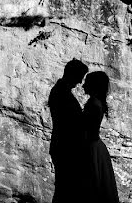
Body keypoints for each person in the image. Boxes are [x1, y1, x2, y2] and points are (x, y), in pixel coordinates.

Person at [48, 59, 89, 203]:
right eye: (79, 76)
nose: (79, 82)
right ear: (72, 74)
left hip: (64, 146)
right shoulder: (61, 92)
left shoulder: (62, 91)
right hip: (65, 147)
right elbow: (68, 122)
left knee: (65, 189)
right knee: (64, 190)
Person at [82, 71, 120, 203]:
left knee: (93, 185)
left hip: (91, 147)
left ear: (93, 85)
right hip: (95, 146)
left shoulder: (93, 104)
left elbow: (88, 130)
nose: (83, 85)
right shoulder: (96, 102)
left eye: (86, 82)